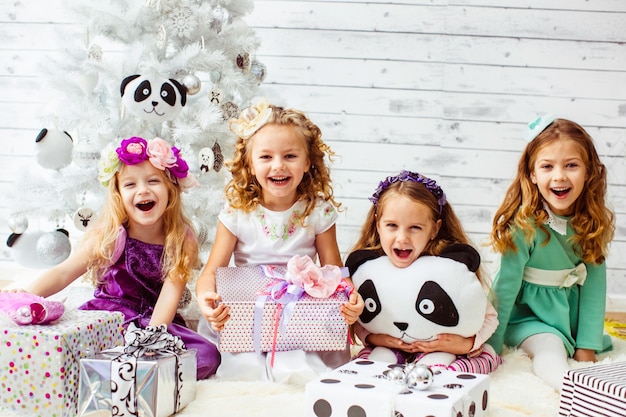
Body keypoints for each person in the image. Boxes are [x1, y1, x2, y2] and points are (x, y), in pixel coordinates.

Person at [10, 136, 220, 380]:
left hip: (155, 320)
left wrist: (150, 341)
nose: (143, 190)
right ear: (119, 194)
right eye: (130, 184)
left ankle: (129, 370)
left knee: (206, 356)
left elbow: (170, 294)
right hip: (111, 317)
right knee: (74, 348)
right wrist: (26, 294)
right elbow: (65, 272)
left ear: (170, 190)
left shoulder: (181, 237)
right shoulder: (113, 234)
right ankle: (121, 370)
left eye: (153, 181)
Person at [195, 98, 364, 383]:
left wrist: (351, 298)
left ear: (308, 161)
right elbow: (211, 271)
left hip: (301, 315)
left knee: (308, 371)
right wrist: (206, 299)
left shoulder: (317, 210)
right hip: (250, 314)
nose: (278, 166)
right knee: (246, 371)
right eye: (265, 157)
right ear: (249, 162)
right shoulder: (237, 212)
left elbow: (335, 269)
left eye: (290, 156)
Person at [488, 116, 615, 390]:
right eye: (547, 166)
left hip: (567, 316)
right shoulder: (523, 226)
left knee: (584, 352)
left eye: (571, 165)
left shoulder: (591, 223)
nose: (559, 176)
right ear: (532, 174)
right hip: (528, 317)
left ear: (589, 171)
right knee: (549, 349)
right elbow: (505, 288)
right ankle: (575, 389)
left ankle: (590, 375)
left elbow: (594, 289)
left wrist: (587, 346)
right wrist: (491, 347)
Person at [346, 170, 502, 374]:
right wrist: (373, 338)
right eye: (392, 225)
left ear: (434, 229)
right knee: (371, 363)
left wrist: (465, 344)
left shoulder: (448, 268)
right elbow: (360, 316)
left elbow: (489, 317)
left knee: (448, 370)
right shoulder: (370, 267)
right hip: (391, 348)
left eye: (415, 228)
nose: (402, 238)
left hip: (440, 351)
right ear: (378, 225)